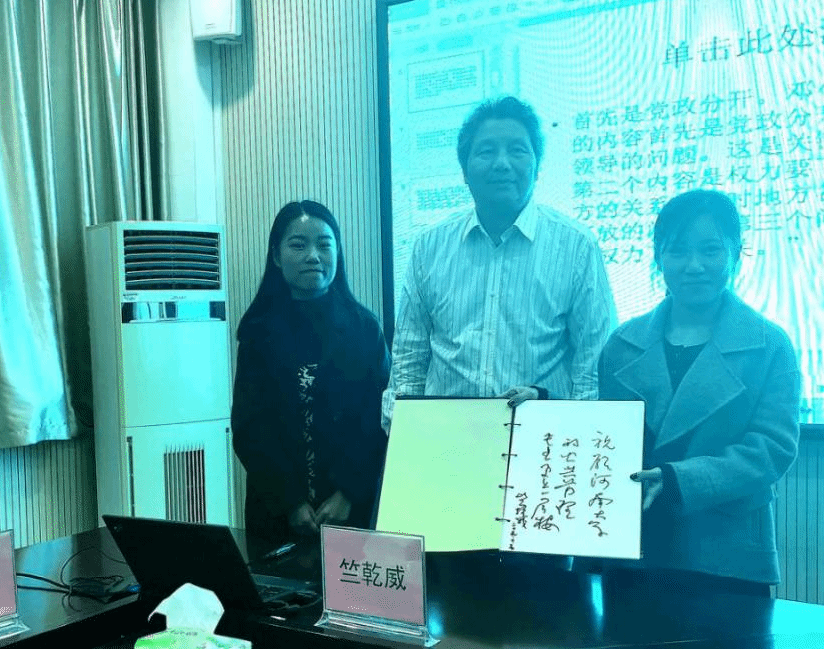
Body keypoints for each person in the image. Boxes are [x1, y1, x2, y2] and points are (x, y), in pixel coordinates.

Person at [598, 189, 800, 595]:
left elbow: (771, 449)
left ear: (736, 253)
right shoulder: (622, 344)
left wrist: (680, 480)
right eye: (677, 251)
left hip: (726, 553)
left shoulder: (769, 344)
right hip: (632, 548)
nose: (694, 266)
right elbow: (600, 440)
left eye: (710, 250)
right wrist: (539, 410)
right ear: (658, 257)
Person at [381, 95, 616, 432]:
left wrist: (579, 438)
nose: (502, 164)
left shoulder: (577, 246)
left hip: (537, 440)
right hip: (445, 439)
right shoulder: (429, 246)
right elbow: (409, 355)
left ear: (537, 166)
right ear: (464, 170)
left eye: (517, 150)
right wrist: (402, 430)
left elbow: (592, 365)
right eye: (487, 151)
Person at [232, 200, 391, 543]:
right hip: (276, 513)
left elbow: (377, 419)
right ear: (276, 256)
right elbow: (250, 426)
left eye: (324, 245)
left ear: (337, 253)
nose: (313, 256)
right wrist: (290, 501)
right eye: (298, 245)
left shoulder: (365, 329)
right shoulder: (258, 332)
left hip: (352, 508)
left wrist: (348, 492)